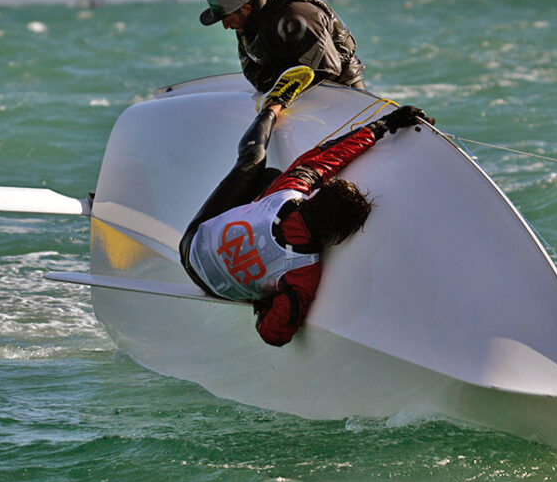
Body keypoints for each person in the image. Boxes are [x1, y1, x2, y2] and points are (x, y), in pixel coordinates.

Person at [178, 72, 433, 346]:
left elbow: (335, 154)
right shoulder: (303, 274)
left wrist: (386, 124)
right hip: (212, 285)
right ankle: (275, 103)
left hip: (193, 244)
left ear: (314, 198)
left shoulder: (290, 189)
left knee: (254, 163)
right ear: (338, 235)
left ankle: (274, 106)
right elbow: (273, 335)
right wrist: (265, 301)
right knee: (269, 178)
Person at [199, 0, 366, 93]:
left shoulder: (296, 17)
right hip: (296, 95)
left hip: (344, 89)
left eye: (227, 19)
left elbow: (326, 71)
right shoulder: (245, 24)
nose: (225, 27)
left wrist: (278, 89)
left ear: (246, 9)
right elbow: (255, 76)